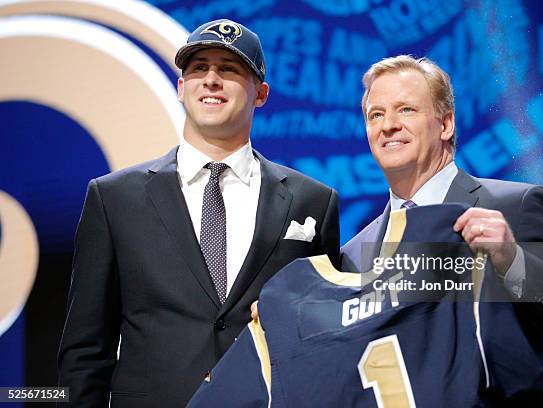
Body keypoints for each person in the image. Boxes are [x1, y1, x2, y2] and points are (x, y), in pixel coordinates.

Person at [58, 19, 340, 407]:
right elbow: (85, 349)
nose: (211, 79)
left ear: (260, 93)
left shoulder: (313, 201)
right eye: (198, 68)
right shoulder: (114, 198)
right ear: (181, 88)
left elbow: (325, 341)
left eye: (228, 69)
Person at [340, 55, 543, 406]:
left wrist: (514, 261)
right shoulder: (355, 253)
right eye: (376, 115)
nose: (388, 125)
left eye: (406, 110)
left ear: (446, 124)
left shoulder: (516, 206)